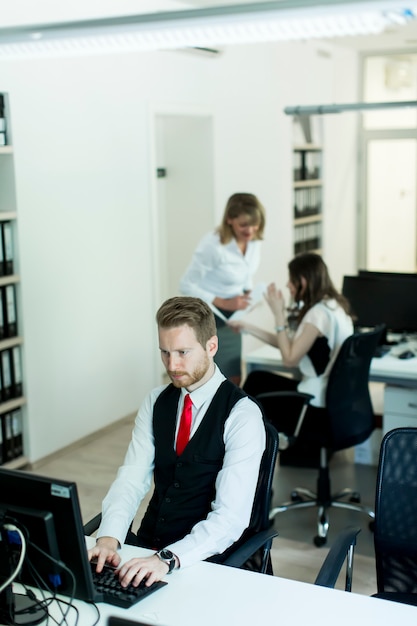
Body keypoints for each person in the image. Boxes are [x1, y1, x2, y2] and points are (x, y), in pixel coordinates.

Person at [88, 296, 265, 588]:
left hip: (206, 559)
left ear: (212, 346)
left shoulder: (242, 415)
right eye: (165, 353)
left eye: (183, 352)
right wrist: (109, 537)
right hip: (148, 547)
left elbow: (230, 519)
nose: (172, 364)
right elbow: (131, 478)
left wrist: (167, 559)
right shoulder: (156, 401)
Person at [230, 253, 353, 462]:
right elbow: (293, 346)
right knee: (258, 379)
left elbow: (289, 359)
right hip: (336, 403)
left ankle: (244, 454)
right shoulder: (334, 306)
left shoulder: (317, 315)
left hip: (314, 407)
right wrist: (249, 328)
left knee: (255, 383)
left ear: (303, 281)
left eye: (291, 279)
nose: (288, 285)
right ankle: (252, 449)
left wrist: (278, 314)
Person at [179, 192, 266, 387]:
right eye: (243, 225)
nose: (250, 230)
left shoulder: (254, 242)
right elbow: (185, 284)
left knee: (234, 378)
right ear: (229, 219)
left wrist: (248, 292)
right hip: (208, 317)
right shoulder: (213, 245)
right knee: (211, 381)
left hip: (232, 317)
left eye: (255, 224)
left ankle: (227, 417)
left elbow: (246, 273)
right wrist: (222, 301)